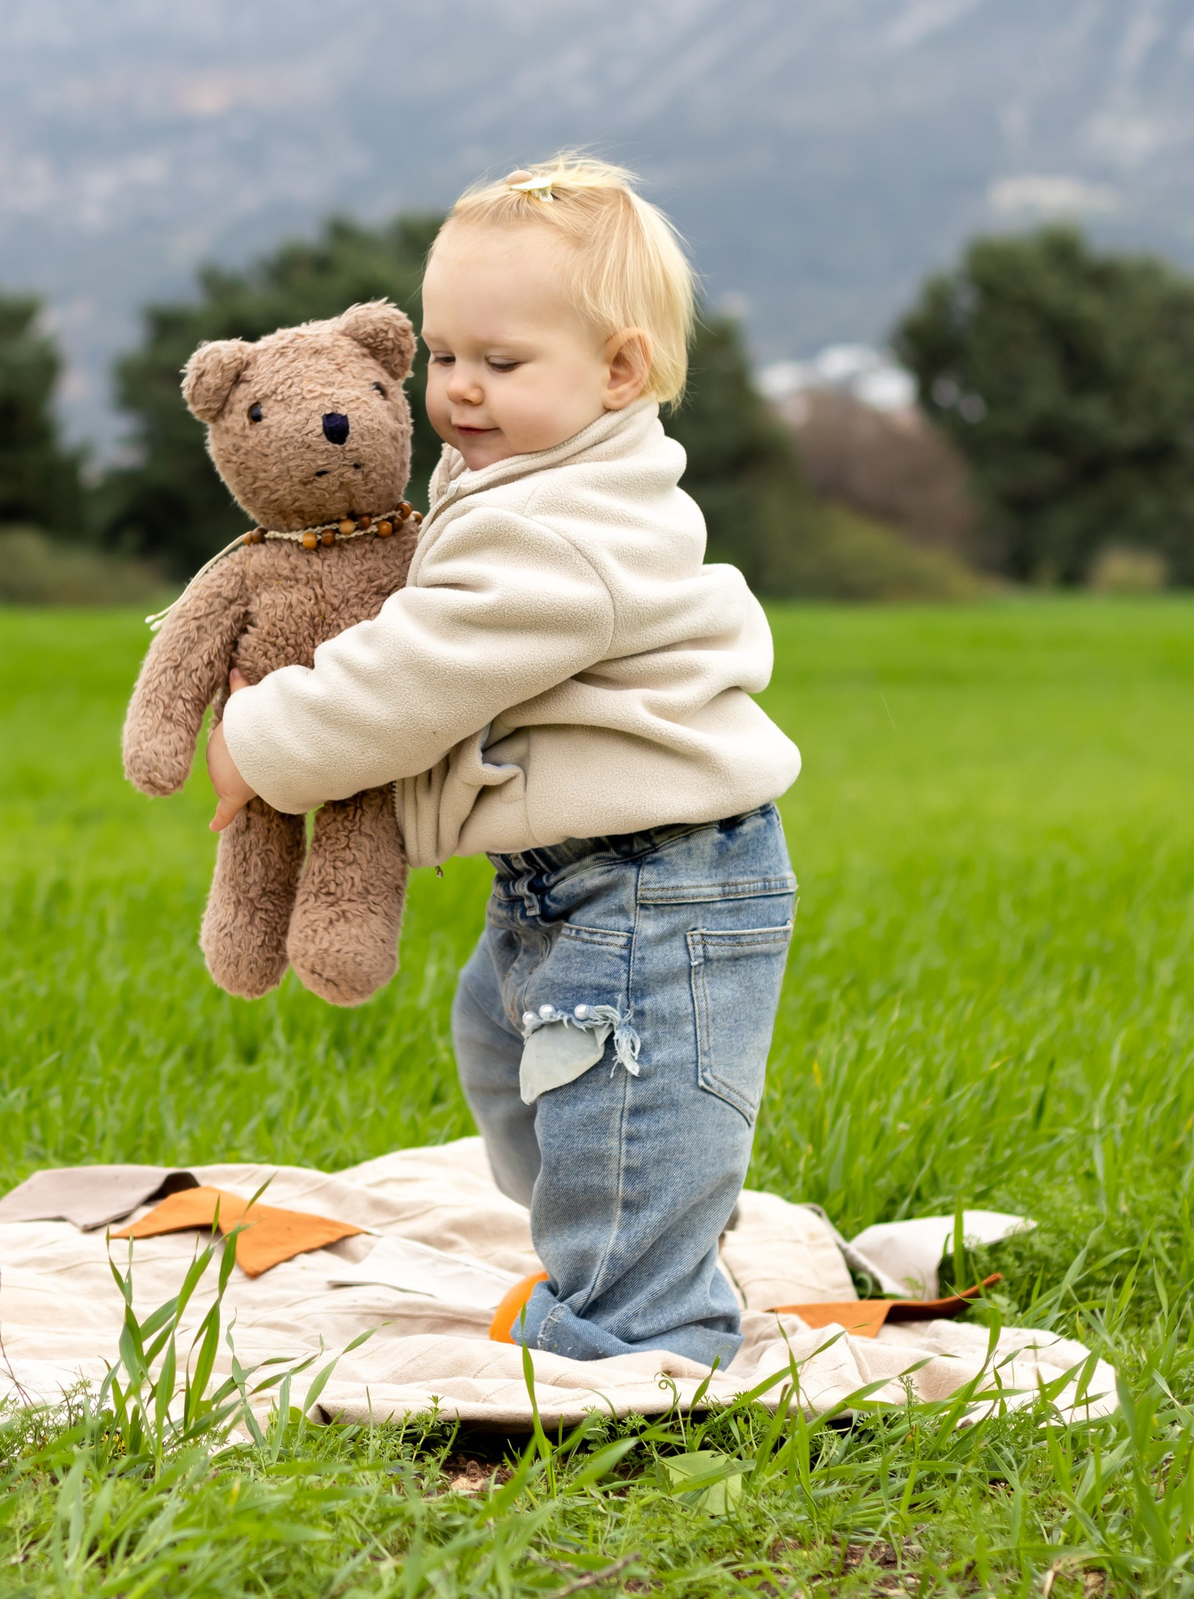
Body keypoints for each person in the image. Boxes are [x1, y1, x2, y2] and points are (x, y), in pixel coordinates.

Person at [205, 155, 801, 1366]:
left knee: (611, 1086)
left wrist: (262, 744)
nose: (461, 393)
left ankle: (641, 1324)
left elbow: (417, 670)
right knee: (520, 1061)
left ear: (620, 370)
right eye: (447, 357)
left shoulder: (560, 529)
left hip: (658, 883)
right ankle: (640, 1220)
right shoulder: (526, 475)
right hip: (568, 876)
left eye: (504, 364)